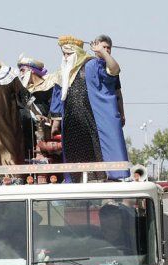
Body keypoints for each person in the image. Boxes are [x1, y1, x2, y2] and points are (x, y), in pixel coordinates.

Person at [49, 35, 130, 181]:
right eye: (64, 54)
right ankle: (75, 182)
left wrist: (102, 51)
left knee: (95, 154)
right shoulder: (63, 72)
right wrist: (56, 122)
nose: (66, 57)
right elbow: (57, 95)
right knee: (74, 156)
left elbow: (114, 70)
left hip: (91, 118)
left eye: (69, 54)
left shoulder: (92, 65)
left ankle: (101, 179)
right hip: (71, 121)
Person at [17, 54, 57, 157]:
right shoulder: (24, 92)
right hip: (28, 133)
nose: (21, 74)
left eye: (22, 70)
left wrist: (47, 119)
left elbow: (54, 108)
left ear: (32, 71)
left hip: (47, 132)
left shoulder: (49, 87)